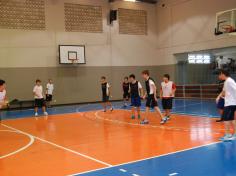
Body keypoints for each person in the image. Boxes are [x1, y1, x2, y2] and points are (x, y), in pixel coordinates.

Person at [217, 70, 236, 141]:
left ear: (223, 74)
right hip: (229, 103)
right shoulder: (226, 82)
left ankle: (228, 135)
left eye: (219, 75)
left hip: (231, 103)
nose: (219, 76)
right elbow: (224, 92)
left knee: (226, 119)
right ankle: (232, 134)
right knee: (231, 119)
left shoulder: (229, 81)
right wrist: (219, 97)